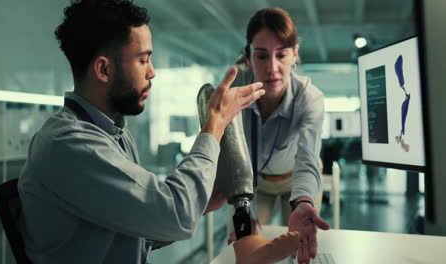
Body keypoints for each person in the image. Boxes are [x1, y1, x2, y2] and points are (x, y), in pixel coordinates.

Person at [17, 1, 264, 263]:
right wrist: (215, 124)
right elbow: (174, 216)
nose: (152, 72)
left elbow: (136, 231)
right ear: (104, 69)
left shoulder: (115, 135)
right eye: (143, 59)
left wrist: (198, 204)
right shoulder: (68, 145)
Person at [231, 8, 330, 264]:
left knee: (299, 244)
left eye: (282, 55)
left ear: (295, 54)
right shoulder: (236, 87)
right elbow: (230, 154)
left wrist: (303, 200)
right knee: (243, 243)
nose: (272, 68)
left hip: (294, 181)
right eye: (261, 56)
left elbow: (307, 160)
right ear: (248, 57)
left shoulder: (310, 99)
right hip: (257, 183)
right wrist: (242, 210)